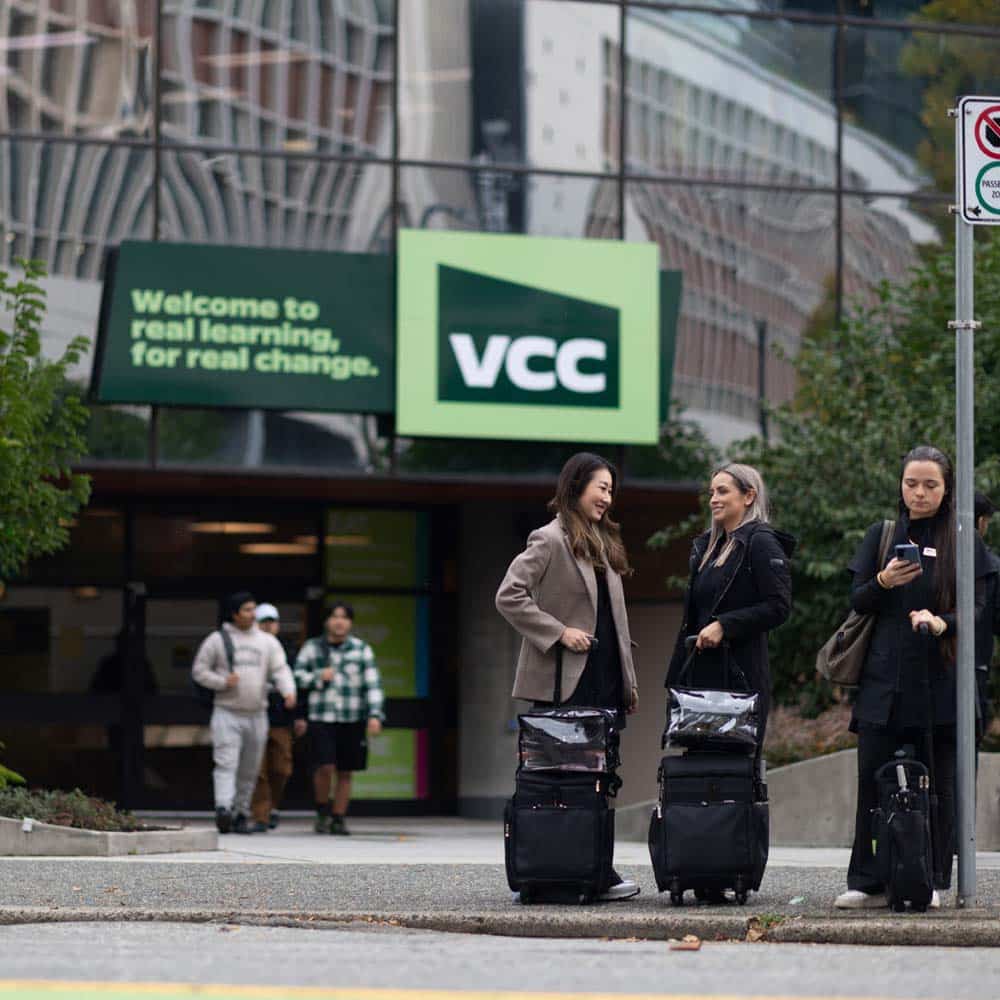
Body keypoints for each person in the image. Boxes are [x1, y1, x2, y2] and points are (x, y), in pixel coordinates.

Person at [834, 446, 993, 909]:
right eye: (911, 484)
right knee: (871, 779)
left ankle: (934, 879)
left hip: (940, 680)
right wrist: (884, 581)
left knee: (940, 785)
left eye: (930, 485)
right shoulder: (882, 535)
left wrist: (944, 621)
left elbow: (979, 605)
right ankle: (868, 881)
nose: (919, 493)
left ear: (947, 490)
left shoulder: (964, 539)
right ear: (900, 486)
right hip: (883, 681)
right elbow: (859, 600)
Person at [495, 451, 640, 902]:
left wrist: (629, 682)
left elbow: (616, 622)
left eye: (612, 490)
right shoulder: (549, 538)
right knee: (562, 779)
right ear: (577, 486)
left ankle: (596, 868)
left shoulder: (604, 542)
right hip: (565, 680)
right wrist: (558, 633)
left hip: (605, 679)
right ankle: (557, 866)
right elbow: (509, 596)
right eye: (601, 487)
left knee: (603, 778)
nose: (607, 498)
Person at [665, 463, 794, 748]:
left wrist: (725, 625)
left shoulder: (761, 542)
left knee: (730, 780)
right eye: (712, 492)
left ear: (748, 496)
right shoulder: (709, 546)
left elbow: (779, 606)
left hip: (739, 684)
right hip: (700, 681)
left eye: (723, 491)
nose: (713, 499)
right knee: (696, 778)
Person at [191, 591, 296, 835]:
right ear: (234, 613)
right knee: (226, 762)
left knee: (250, 767)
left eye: (253, 609)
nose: (252, 614)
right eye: (247, 610)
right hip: (227, 711)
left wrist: (288, 691)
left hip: (257, 713)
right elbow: (199, 671)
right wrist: (221, 682)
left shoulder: (267, 642)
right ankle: (223, 808)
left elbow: (281, 669)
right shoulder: (218, 640)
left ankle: (240, 813)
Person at [294, 601, 384, 835]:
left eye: (344, 617)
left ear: (350, 622)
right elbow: (295, 677)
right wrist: (317, 676)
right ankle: (322, 811)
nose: (339, 621)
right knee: (325, 767)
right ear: (326, 621)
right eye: (334, 616)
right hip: (321, 716)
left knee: (346, 770)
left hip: (352, 717)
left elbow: (373, 685)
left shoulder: (361, 649)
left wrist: (374, 714)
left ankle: (339, 817)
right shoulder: (312, 648)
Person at [249, 603, 307, 833]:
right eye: (264, 621)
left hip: (281, 719)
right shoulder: (249, 648)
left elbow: (297, 684)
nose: (268, 626)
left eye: (272, 621)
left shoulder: (287, 651)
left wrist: (299, 714)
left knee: (282, 768)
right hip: (254, 715)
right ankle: (261, 816)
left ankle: (273, 806)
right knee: (258, 769)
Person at [974, 493, 999, 752]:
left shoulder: (930, 557)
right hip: (975, 669)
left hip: (925, 671)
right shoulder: (992, 567)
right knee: (969, 744)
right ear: (981, 522)